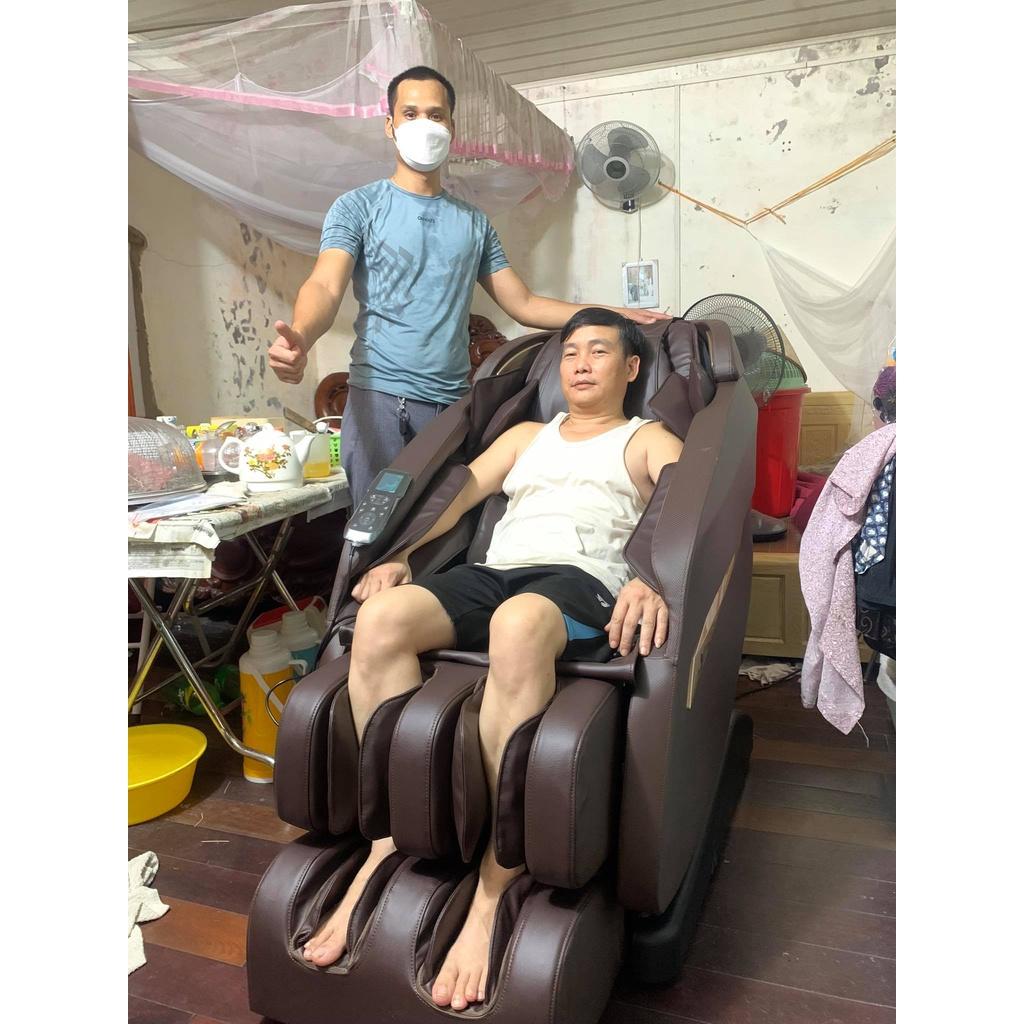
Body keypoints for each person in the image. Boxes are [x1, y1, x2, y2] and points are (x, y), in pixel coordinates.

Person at [300, 307, 683, 1012]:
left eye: (600, 351)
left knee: (517, 623)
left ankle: (493, 882)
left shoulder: (646, 438)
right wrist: (402, 555)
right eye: (571, 352)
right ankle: (387, 840)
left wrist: (652, 574)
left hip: (580, 583)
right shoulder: (526, 436)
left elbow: (685, 503)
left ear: (632, 369)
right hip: (495, 573)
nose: (581, 364)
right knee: (381, 619)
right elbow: (457, 497)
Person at [268, 65, 668, 505]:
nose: (424, 124)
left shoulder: (474, 223)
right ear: (390, 125)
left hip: (450, 407)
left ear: (451, 128)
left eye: (435, 115)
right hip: (377, 397)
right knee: (374, 529)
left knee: (443, 527)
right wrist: (301, 335)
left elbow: (524, 303)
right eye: (410, 113)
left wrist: (612, 314)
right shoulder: (357, 207)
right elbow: (325, 286)